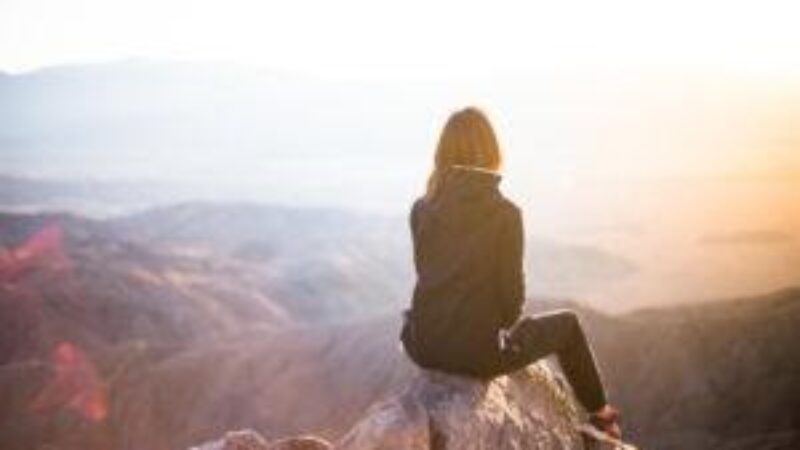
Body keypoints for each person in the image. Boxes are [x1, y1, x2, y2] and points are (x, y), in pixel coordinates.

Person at [400, 106, 622, 439]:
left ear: (442, 153)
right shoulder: (506, 214)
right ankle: (603, 417)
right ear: (491, 152)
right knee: (569, 325)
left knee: (410, 314)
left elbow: (426, 274)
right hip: (478, 355)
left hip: (424, 345)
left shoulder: (421, 208)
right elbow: (511, 306)